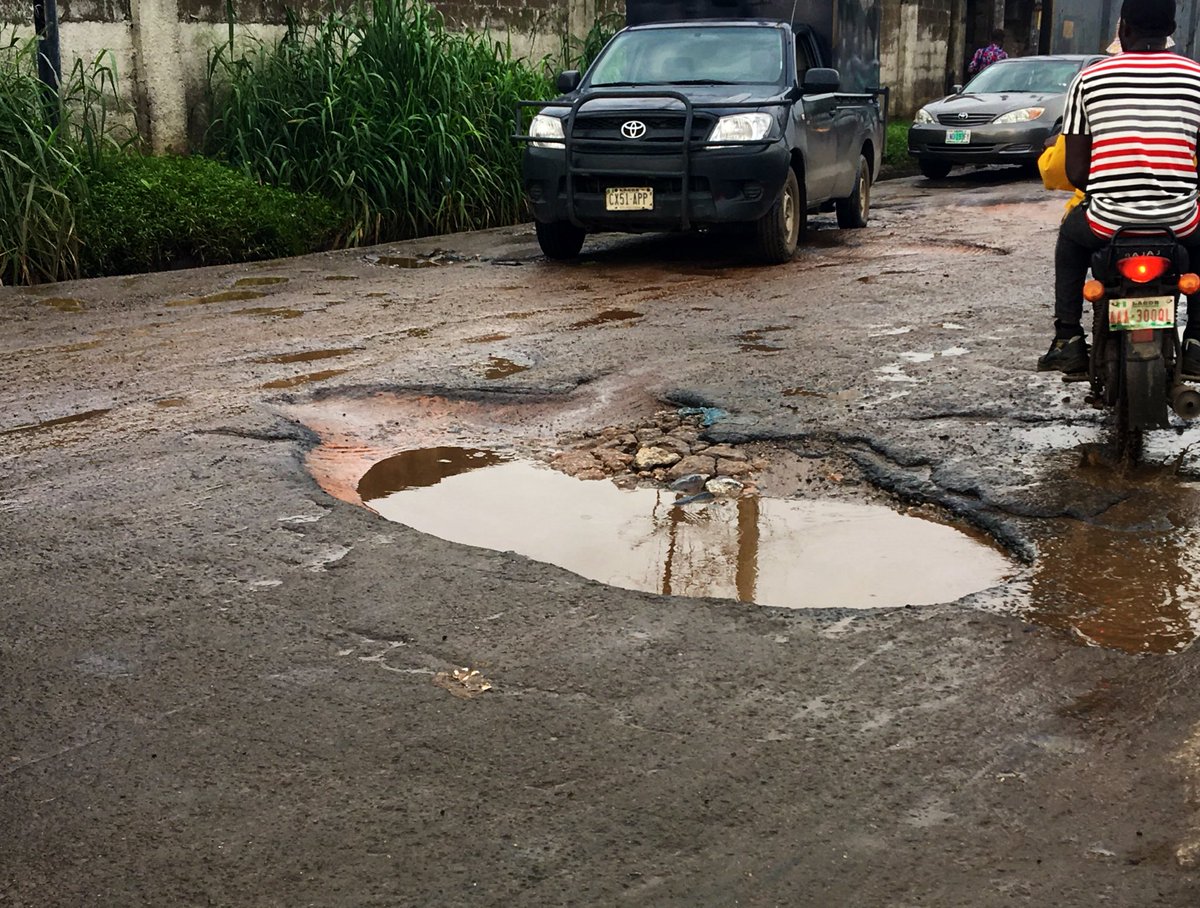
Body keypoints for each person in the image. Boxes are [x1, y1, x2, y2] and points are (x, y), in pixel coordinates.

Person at [1038, 0, 1200, 374]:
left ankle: (1068, 338)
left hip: (1107, 221)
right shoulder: (1196, 78)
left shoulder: (1089, 79)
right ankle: (1196, 343)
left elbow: (1076, 170)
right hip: (1180, 220)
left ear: (1123, 28)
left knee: (1070, 239)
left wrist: (1108, 189)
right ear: (1171, 31)